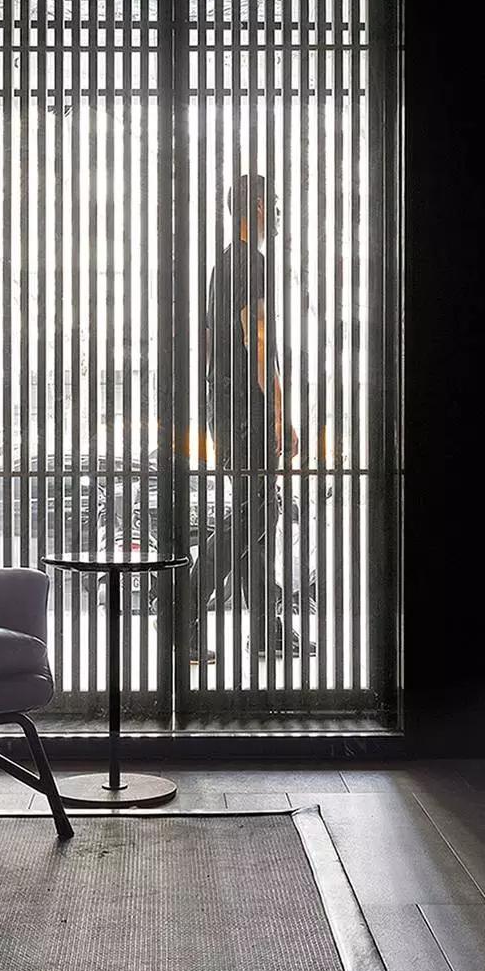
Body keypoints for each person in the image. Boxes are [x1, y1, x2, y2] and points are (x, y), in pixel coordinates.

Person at [193, 173, 311, 662]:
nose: (278, 213)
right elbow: (258, 340)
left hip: (227, 410)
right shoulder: (251, 264)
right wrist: (281, 413)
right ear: (258, 206)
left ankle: (264, 628)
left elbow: (214, 345)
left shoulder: (223, 265)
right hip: (247, 411)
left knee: (258, 513)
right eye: (275, 203)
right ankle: (183, 607)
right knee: (258, 513)